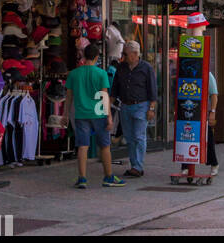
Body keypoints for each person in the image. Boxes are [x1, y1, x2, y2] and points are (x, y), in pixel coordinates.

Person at [65, 43, 125, 189]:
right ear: (97, 57)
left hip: (80, 114)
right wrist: (109, 117)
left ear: (84, 56)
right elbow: (104, 96)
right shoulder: (101, 74)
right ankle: (108, 177)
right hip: (99, 114)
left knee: (82, 146)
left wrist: (65, 115)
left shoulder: (74, 74)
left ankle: (82, 178)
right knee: (104, 146)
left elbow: (68, 98)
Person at [110, 39, 157, 178]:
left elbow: (152, 89)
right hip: (125, 105)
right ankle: (134, 165)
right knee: (129, 137)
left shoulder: (146, 68)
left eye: (126, 54)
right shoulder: (121, 67)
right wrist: (109, 107)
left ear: (135, 54)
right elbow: (115, 88)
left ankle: (138, 166)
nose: (123, 56)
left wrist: (151, 108)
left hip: (141, 105)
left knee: (139, 136)